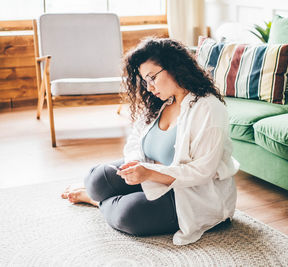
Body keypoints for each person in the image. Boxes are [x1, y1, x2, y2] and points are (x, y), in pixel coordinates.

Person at [61, 38, 240, 245]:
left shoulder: (207, 108)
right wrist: (138, 166)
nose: (149, 87)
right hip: (150, 173)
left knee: (128, 215)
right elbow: (135, 142)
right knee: (96, 179)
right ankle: (100, 195)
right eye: (144, 81)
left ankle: (97, 202)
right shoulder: (160, 103)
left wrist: (150, 173)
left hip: (188, 193)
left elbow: (203, 171)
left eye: (152, 78)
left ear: (174, 67)